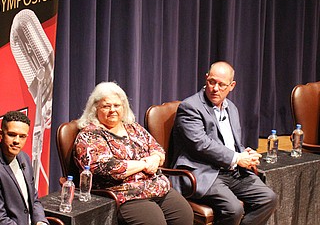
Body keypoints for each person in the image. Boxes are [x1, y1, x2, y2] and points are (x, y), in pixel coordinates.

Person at [170, 61, 277, 225]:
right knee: (234, 209)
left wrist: (245, 153)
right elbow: (201, 144)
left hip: (231, 170)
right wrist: (236, 157)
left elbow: (232, 144)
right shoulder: (190, 107)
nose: (215, 88)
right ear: (206, 78)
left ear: (232, 85)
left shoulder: (231, 108)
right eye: (212, 82)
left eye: (221, 84)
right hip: (202, 172)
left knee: (268, 198)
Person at [73, 82, 193, 225]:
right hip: (124, 195)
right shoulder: (89, 135)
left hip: (157, 187)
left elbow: (157, 148)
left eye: (117, 105)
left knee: (185, 216)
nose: (113, 110)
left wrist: (155, 158)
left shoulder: (133, 127)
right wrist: (143, 164)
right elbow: (109, 168)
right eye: (106, 106)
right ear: (95, 109)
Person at [0, 111, 48, 225]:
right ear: (1, 134)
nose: (17, 141)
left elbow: (34, 199)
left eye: (22, 136)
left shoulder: (24, 157)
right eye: (12, 134)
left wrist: (40, 221)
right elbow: (1, 218)